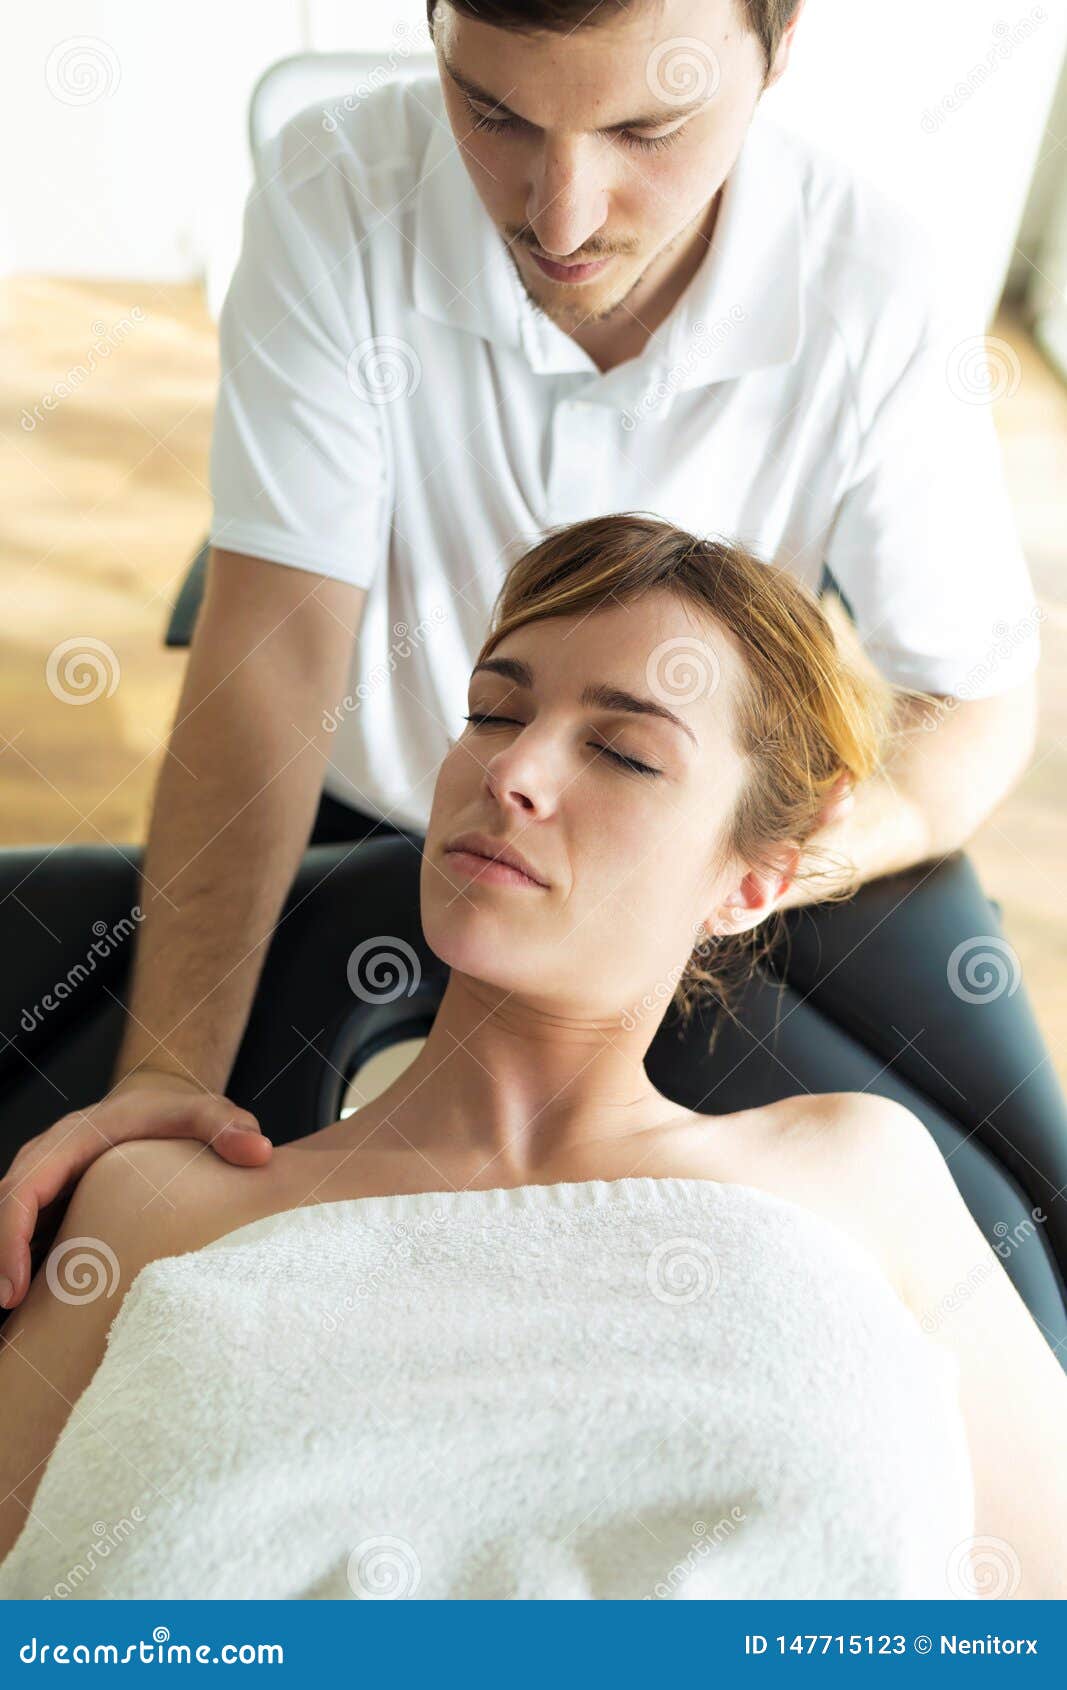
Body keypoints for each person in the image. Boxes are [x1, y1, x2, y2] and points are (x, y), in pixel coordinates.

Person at [0, 0, 1053, 1313]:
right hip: (384, 822)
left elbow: (970, 707)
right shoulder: (340, 191)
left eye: (642, 129)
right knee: (95, 1197)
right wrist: (165, 1073)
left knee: (1021, 1225)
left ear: (776, 52)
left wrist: (746, 869)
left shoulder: (869, 275)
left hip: (708, 845)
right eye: (492, 112)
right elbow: (271, 661)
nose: (558, 218)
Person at [2, 516, 1064, 1600]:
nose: (509, 766)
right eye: (491, 712)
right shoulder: (150, 1207)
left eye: (620, 750)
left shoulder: (861, 1176)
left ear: (752, 880)